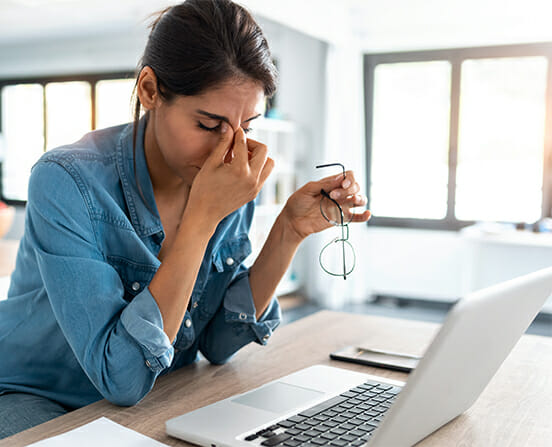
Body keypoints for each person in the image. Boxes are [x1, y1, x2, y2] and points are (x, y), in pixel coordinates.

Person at [0, 0, 370, 439]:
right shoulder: (66, 180)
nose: (228, 151)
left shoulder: (228, 178)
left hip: (156, 391)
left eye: (247, 126)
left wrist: (288, 231)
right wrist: (201, 219)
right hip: (38, 394)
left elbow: (216, 345)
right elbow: (121, 378)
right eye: (209, 124)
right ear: (150, 89)